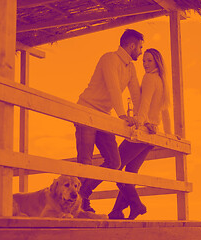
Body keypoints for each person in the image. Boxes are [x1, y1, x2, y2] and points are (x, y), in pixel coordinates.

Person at [75, 29, 144, 212]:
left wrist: (140, 118)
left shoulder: (131, 67)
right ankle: (78, 204)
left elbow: (136, 95)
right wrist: (122, 115)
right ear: (131, 46)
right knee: (85, 160)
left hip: (104, 116)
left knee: (115, 162)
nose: (141, 51)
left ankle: (83, 193)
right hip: (86, 111)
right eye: (140, 47)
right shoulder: (109, 59)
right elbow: (114, 88)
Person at [108, 48, 172, 220]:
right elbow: (164, 111)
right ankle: (116, 211)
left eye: (149, 60)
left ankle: (137, 204)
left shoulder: (150, 78)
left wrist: (138, 124)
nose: (145, 64)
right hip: (152, 135)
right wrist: (169, 134)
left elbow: (144, 104)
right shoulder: (162, 80)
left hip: (143, 132)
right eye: (144, 60)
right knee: (130, 172)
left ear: (157, 61)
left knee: (116, 167)